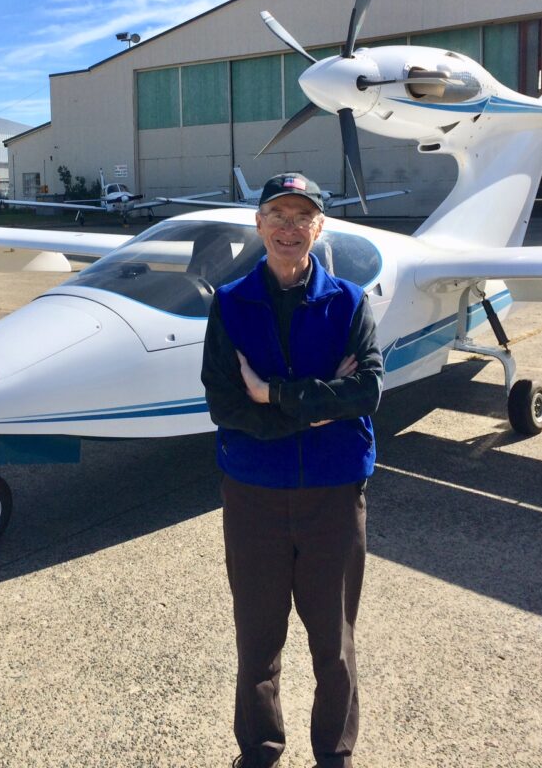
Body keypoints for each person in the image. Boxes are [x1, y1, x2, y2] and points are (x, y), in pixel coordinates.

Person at [201, 172, 384, 768]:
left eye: (301, 216)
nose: (288, 227)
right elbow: (225, 403)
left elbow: (366, 391)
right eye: (276, 214)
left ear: (318, 227)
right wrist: (313, 407)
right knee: (257, 641)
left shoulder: (350, 302)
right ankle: (260, 747)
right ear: (258, 224)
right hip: (254, 495)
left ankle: (334, 753)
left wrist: (274, 395)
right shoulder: (230, 304)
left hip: (332, 497)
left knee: (333, 643)